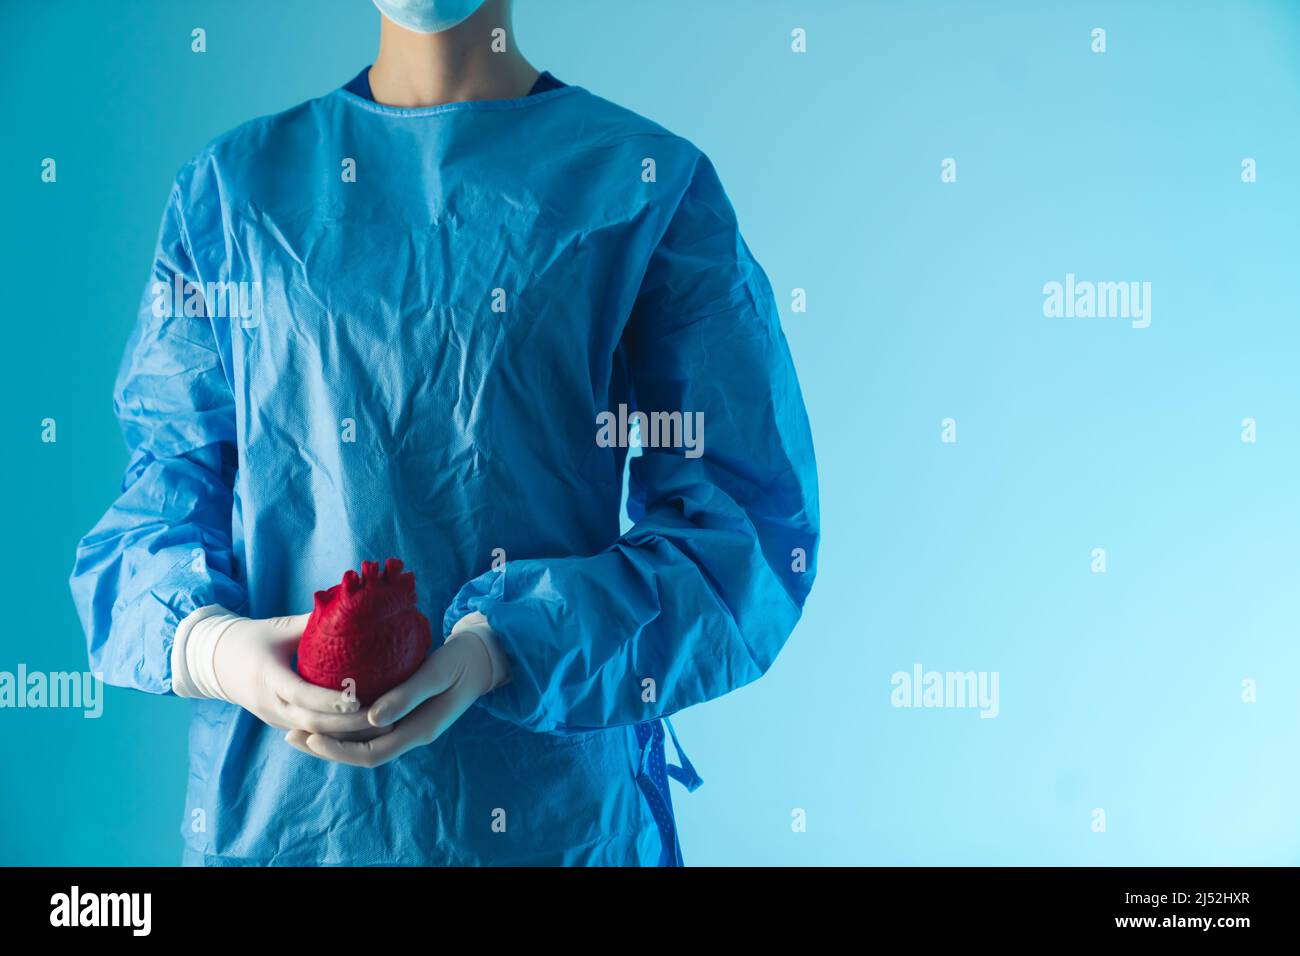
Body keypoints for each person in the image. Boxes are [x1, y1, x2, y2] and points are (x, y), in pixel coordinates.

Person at [70, 0, 819, 867]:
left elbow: (742, 542)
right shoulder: (234, 193)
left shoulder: (644, 186)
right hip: (285, 827)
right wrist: (210, 645)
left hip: (551, 825)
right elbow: (160, 500)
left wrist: (504, 646)